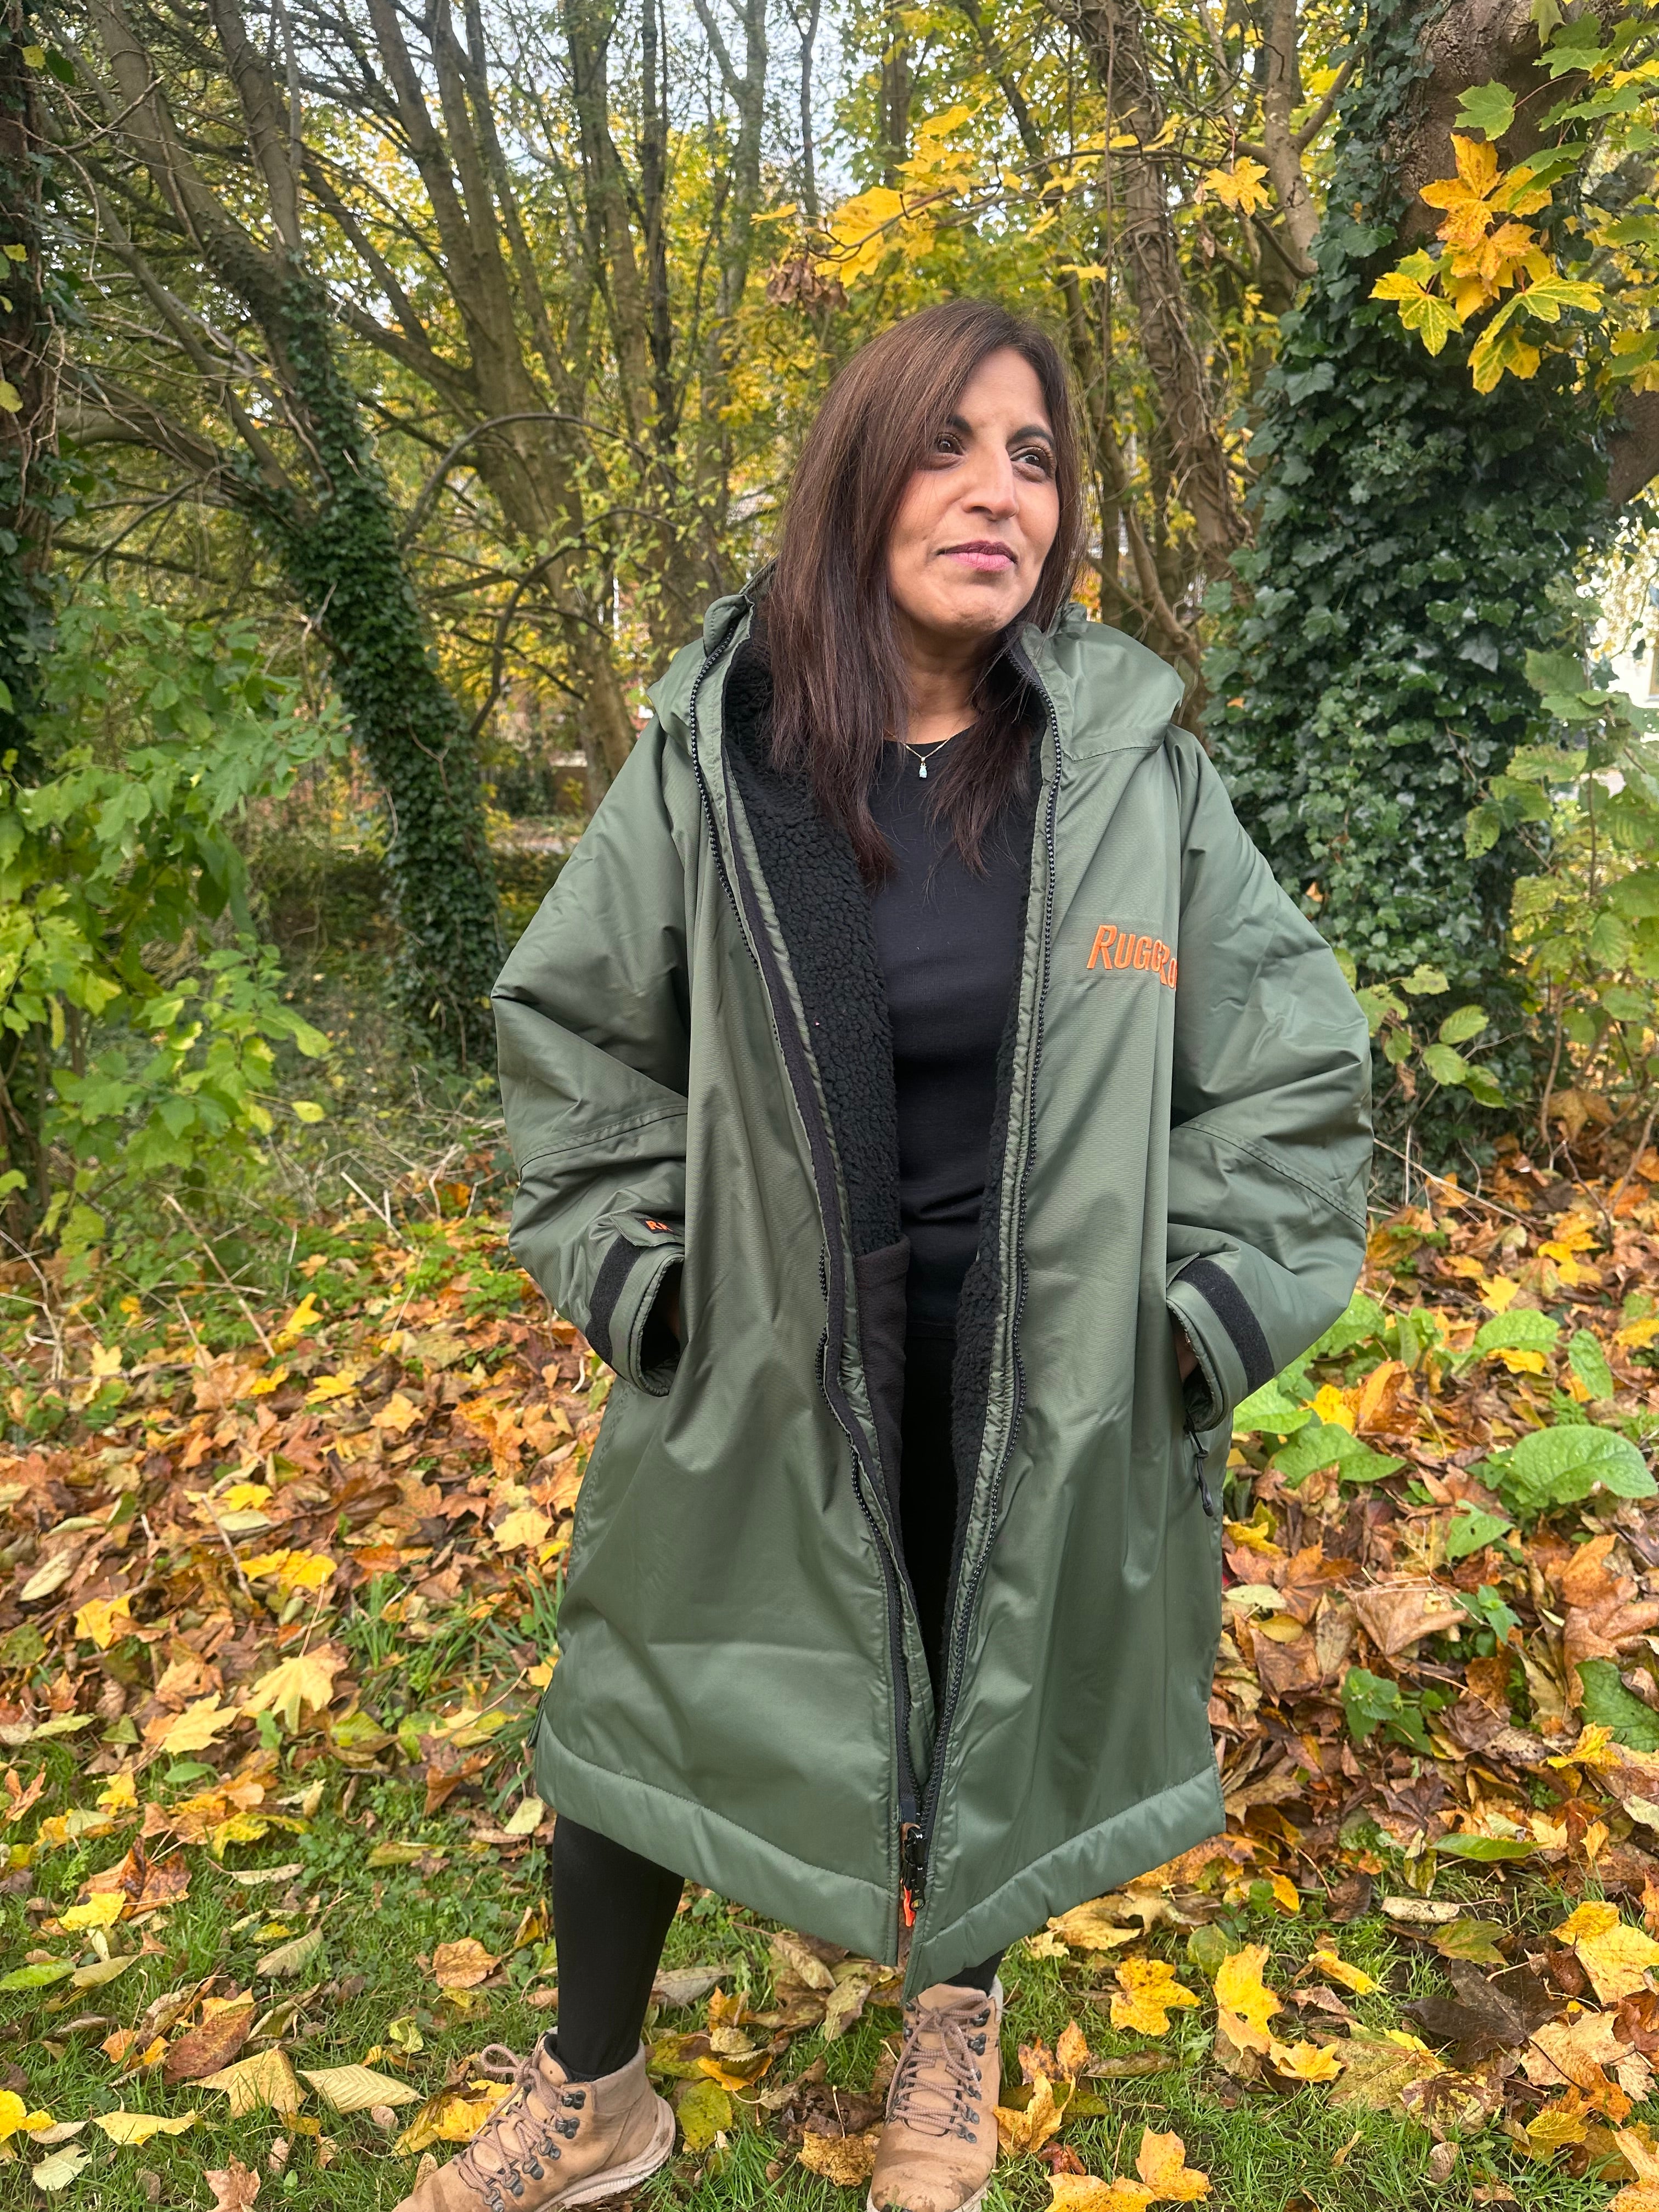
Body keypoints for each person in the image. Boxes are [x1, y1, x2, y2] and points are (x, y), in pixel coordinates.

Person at [398, 298, 1371, 2212]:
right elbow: (572, 1032)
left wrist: (1196, 1329)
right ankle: (596, 2094)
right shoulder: (719, 757)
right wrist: (640, 1280)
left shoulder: (1132, 775)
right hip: (759, 1355)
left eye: (1035, 459)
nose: (1000, 492)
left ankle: (952, 2022)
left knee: (988, 1675)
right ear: (862, 473)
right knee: (638, 1704)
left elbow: (1295, 1062)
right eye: (952, 444)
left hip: (1046, 1361)